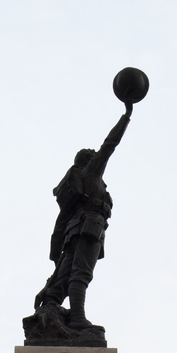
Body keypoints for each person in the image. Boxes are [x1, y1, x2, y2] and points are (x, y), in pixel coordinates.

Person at [35, 103, 134, 330]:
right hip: (90, 227)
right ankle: (78, 319)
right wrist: (126, 116)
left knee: (66, 274)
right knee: (81, 274)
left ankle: (51, 305)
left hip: (74, 231)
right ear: (89, 161)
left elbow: (60, 223)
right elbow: (110, 144)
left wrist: (54, 255)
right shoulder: (91, 173)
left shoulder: (76, 187)